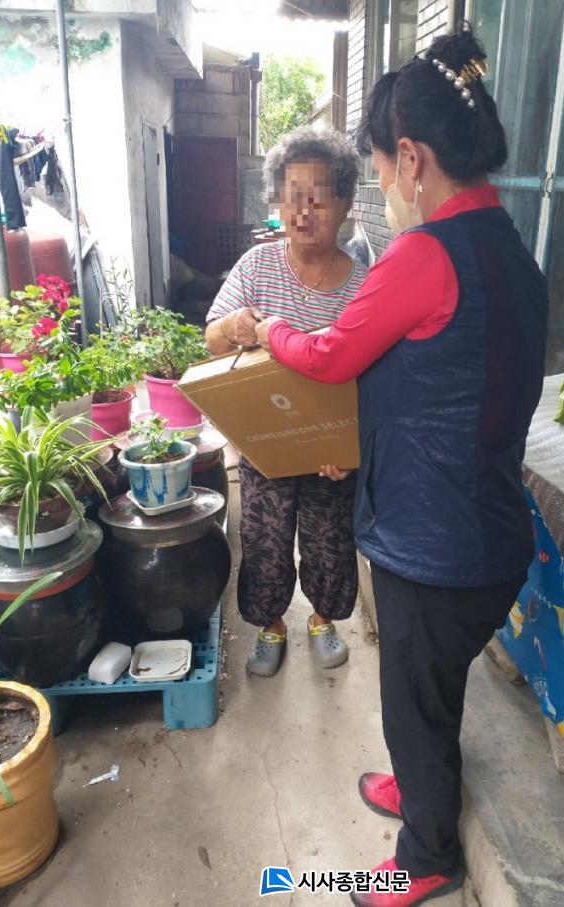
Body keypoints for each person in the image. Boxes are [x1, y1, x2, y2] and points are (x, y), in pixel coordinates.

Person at [255, 25, 548, 907]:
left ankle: (426, 854)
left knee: (412, 700)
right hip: (490, 531)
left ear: (413, 159)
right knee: (433, 683)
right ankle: (423, 786)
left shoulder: (424, 255)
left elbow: (328, 354)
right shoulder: (513, 250)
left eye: (381, 168)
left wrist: (270, 328)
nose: (382, 187)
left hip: (434, 543)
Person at [205, 126, 367, 678]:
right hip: (266, 444)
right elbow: (212, 338)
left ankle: (323, 619)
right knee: (264, 541)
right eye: (292, 196)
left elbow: (371, 376)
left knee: (329, 543)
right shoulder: (257, 266)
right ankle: (270, 625)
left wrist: (349, 450)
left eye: (318, 198)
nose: (303, 212)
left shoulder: (362, 285)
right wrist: (232, 324)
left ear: (344, 203)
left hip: (328, 453)